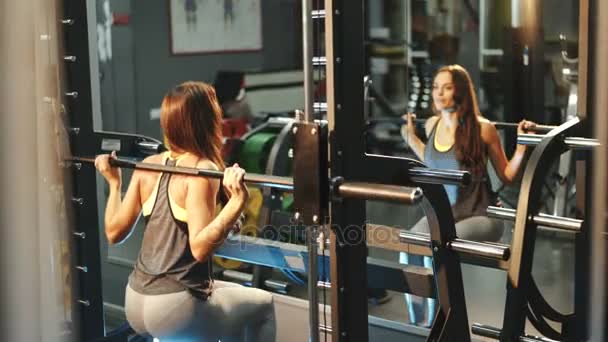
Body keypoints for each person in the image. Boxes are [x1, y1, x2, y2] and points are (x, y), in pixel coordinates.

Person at [94, 81, 276, 341]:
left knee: (229, 297)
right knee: (263, 304)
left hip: (135, 301)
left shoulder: (148, 165)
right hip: (174, 308)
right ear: (208, 121)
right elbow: (200, 248)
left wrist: (114, 184)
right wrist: (237, 203)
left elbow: (113, 232)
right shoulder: (202, 170)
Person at [399, 64, 535, 327]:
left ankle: (434, 325)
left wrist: (522, 146)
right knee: (406, 246)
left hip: (480, 214)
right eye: (436, 87)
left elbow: (507, 175)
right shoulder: (431, 125)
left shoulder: (483, 128)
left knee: (434, 249)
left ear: (460, 91)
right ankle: (416, 325)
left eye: (446, 87)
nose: (438, 93)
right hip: (445, 213)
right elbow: (431, 159)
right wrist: (409, 136)